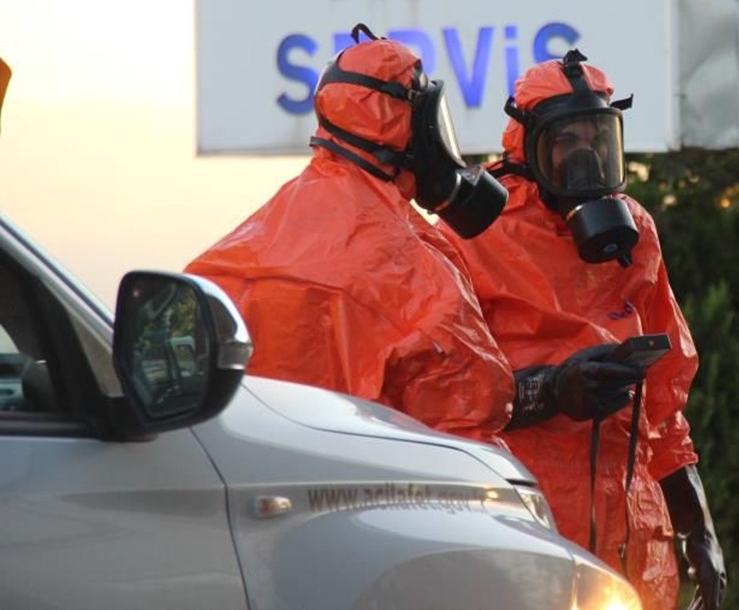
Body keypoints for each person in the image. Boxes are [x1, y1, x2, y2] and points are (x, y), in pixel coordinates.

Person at [443, 50, 726, 610]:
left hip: (631, 543)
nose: (585, 156)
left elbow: (664, 407)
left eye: (598, 138)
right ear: (526, 146)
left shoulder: (634, 234)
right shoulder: (470, 234)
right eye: (565, 141)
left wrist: (699, 531)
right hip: (517, 539)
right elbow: (437, 404)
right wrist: (548, 391)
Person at [185, 25, 518, 443]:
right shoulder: (419, 269)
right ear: (411, 125)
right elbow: (467, 421)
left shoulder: (236, 252)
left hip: (252, 483)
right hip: (369, 491)